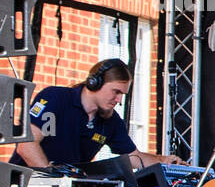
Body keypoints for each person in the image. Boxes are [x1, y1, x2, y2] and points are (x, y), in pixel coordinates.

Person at [12, 59, 178, 169]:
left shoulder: (111, 121)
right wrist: (53, 181)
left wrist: (163, 161)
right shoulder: (55, 98)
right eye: (116, 91)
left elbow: (134, 157)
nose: (119, 99)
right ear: (94, 83)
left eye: (122, 94)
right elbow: (26, 145)